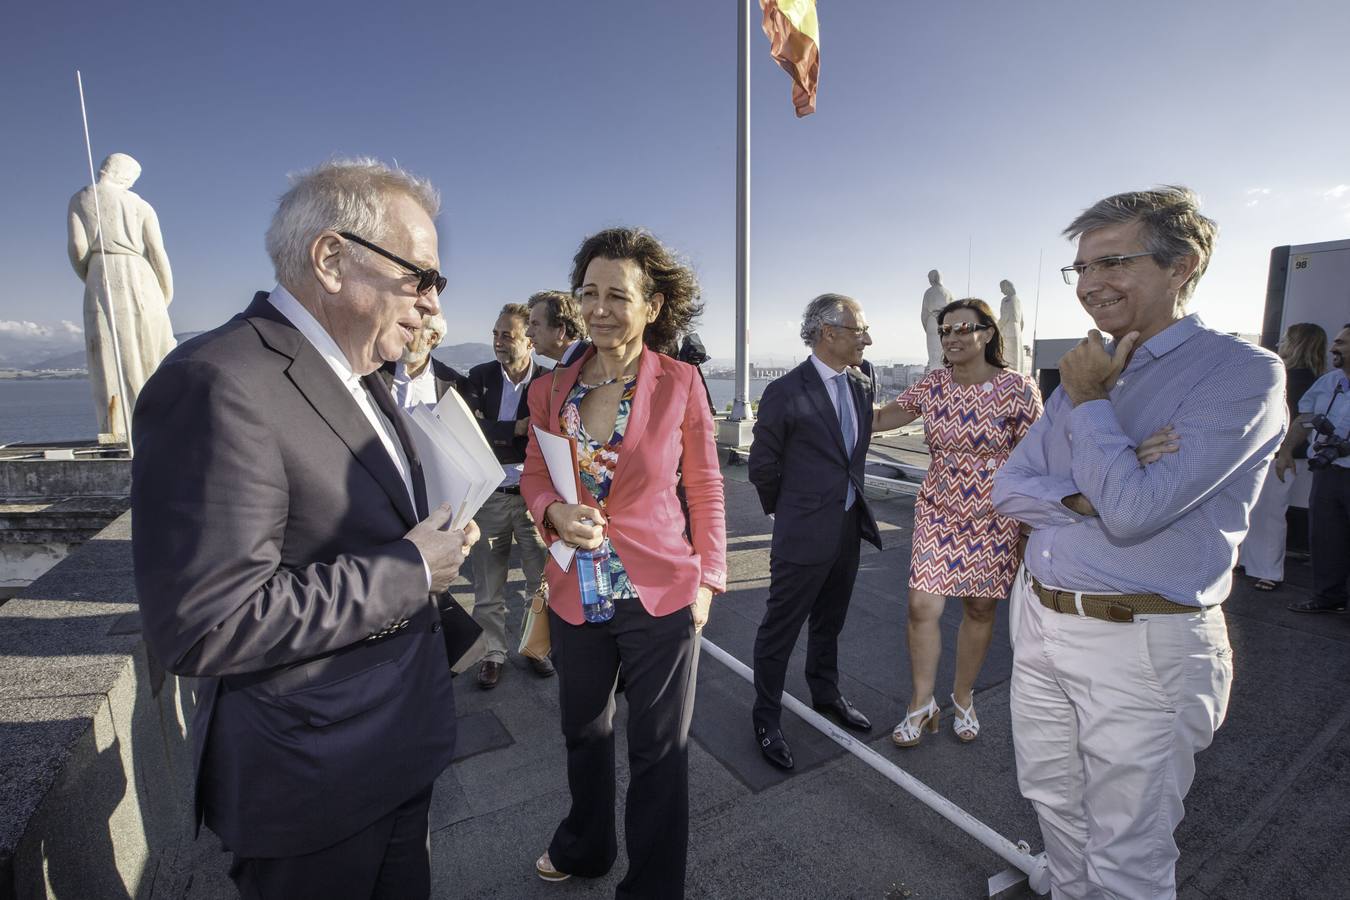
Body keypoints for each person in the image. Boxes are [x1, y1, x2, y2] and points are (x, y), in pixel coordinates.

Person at [130, 158, 481, 899]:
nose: (430, 304)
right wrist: (411, 570)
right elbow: (207, 623)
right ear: (330, 259)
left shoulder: (363, 378)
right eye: (421, 277)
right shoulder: (219, 381)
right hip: (313, 785)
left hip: (395, 750)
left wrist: (434, 544)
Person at [991, 186, 1285, 898]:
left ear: (1181, 264)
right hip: (1039, 620)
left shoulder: (1241, 373)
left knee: (1129, 848)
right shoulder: (1086, 371)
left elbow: (1133, 514)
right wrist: (1094, 486)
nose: (1090, 284)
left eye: (1113, 262)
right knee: (1055, 804)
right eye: (1082, 268)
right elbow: (1009, 488)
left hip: (1142, 640)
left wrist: (1093, 414)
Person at [521, 227, 725, 897]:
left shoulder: (681, 383)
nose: (600, 308)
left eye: (617, 294)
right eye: (588, 293)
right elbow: (533, 474)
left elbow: (705, 486)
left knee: (658, 755)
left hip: (661, 593)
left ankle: (651, 888)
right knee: (583, 732)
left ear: (652, 305)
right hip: (576, 591)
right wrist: (554, 511)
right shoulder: (552, 390)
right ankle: (586, 846)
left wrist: (710, 581)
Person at [873, 298, 1042, 747]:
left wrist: (1028, 526)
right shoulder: (933, 386)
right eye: (944, 330)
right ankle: (921, 702)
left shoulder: (1018, 389)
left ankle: (963, 697)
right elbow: (884, 418)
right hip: (939, 508)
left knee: (980, 608)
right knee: (920, 607)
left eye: (962, 329)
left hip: (995, 514)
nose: (951, 338)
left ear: (987, 334)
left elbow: (1040, 456)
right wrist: (823, 407)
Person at [748, 293, 883, 771]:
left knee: (830, 621)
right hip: (803, 531)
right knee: (780, 629)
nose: (866, 338)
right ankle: (766, 717)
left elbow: (853, 454)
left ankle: (826, 695)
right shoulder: (785, 391)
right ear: (829, 333)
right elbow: (763, 466)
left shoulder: (864, 384)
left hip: (847, 527)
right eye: (859, 329)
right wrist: (786, 516)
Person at [463, 303, 554, 687]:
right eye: (496, 334)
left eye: (508, 335)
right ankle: (493, 653)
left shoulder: (549, 381)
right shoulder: (479, 377)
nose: (498, 342)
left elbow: (551, 435)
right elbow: (469, 428)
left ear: (530, 340)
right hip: (492, 495)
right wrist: (511, 429)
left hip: (534, 498)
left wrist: (504, 431)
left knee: (541, 580)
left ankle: (537, 649)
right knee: (489, 582)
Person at [67, 152, 176, 437]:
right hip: (142, 277)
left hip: (101, 274)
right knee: (150, 349)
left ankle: (116, 428)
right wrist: (165, 293)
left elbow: (78, 248)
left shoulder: (81, 199)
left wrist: (91, 275)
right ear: (126, 176)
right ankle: (157, 421)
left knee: (107, 350)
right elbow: (157, 252)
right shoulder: (140, 206)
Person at [1238, 323, 1327, 590]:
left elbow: (1294, 421)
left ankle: (1269, 571)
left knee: (1269, 513)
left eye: (1287, 339)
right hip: (1280, 455)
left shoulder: (1294, 380)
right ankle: (1252, 563)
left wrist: (1284, 450)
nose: (1281, 344)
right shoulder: (1312, 379)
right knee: (1262, 511)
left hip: (1280, 456)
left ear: (1298, 343)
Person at [1283, 323, 1350, 613]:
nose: (1334, 348)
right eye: (1335, 342)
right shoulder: (1328, 382)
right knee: (1325, 538)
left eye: (1342, 343)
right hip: (1327, 473)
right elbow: (1304, 419)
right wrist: (1286, 450)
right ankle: (1327, 597)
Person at [382, 311, 469, 408]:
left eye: (410, 328)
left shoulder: (455, 384)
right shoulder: (376, 370)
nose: (402, 334)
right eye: (401, 327)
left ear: (432, 338)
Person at [526, 288, 591, 366]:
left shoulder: (595, 365)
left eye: (535, 324)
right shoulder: (565, 367)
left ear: (561, 330)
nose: (528, 333)